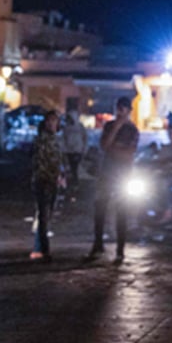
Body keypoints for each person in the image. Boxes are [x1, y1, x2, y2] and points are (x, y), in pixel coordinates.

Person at [88, 97, 139, 263]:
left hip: (123, 173)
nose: (120, 112)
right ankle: (98, 244)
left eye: (123, 109)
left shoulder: (132, 130)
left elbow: (129, 152)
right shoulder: (110, 126)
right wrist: (116, 129)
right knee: (100, 207)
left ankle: (120, 249)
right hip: (107, 171)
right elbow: (104, 146)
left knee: (121, 211)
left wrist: (114, 148)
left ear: (128, 111)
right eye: (119, 109)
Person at [30, 113, 63, 260]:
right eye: (50, 121)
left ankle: (40, 246)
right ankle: (44, 248)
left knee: (46, 215)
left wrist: (61, 175)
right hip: (43, 180)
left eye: (54, 121)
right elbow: (41, 161)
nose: (52, 125)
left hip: (52, 180)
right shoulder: (42, 140)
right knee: (43, 215)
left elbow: (58, 161)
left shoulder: (56, 140)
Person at [60, 111, 87, 196]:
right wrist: (63, 150)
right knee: (69, 169)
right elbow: (63, 139)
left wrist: (84, 149)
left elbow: (85, 138)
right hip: (69, 151)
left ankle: (75, 185)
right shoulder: (66, 128)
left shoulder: (80, 127)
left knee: (75, 169)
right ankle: (68, 186)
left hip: (77, 151)